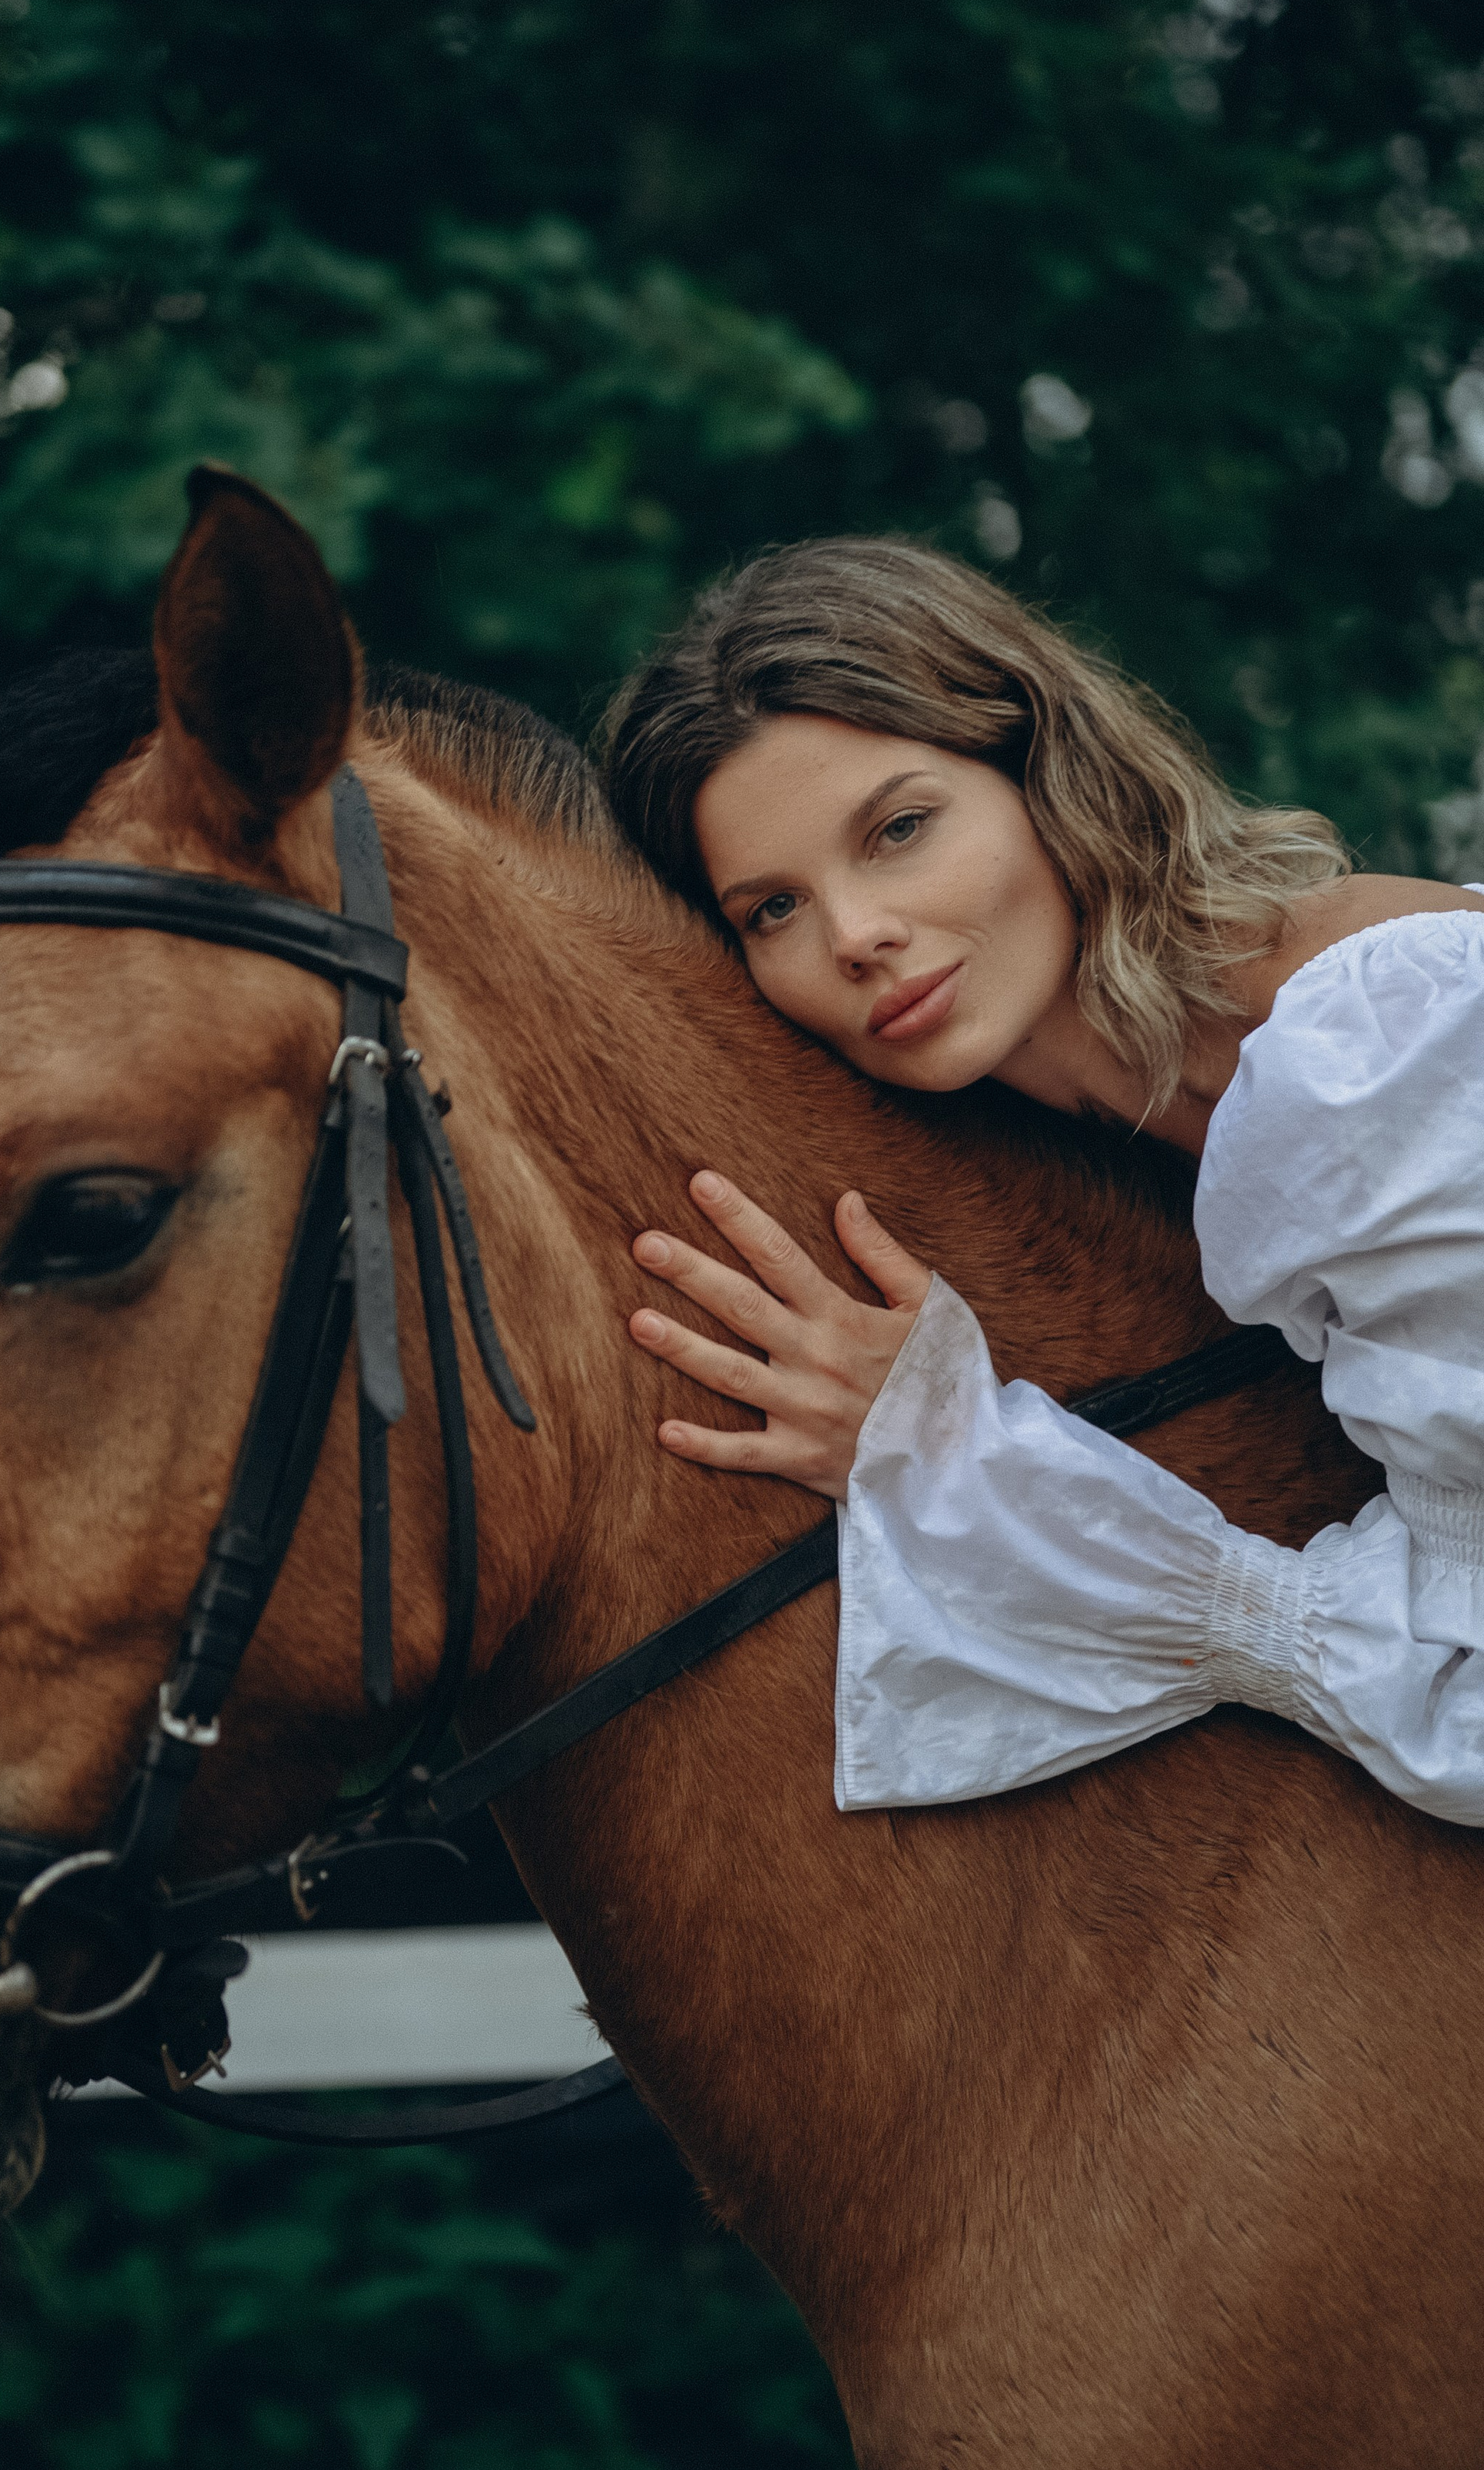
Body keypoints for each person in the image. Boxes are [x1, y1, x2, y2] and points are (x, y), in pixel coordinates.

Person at [598, 539, 1484, 1823]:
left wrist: (954, 1465)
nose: (854, 935)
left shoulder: (1382, 1051)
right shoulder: (1183, 1114)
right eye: (771, 910)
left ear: (1041, 765)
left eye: (898, 830)